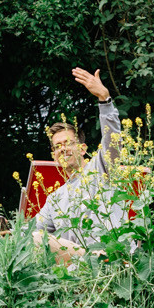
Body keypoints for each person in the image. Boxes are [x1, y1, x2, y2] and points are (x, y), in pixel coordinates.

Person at [32, 68, 125, 260]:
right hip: (78, 266)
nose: (63, 149)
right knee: (34, 238)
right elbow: (33, 230)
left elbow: (112, 140)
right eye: (57, 147)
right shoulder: (55, 199)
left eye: (68, 143)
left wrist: (104, 99)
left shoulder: (101, 168)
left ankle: (96, 259)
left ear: (82, 149)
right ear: (54, 156)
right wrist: (8, 230)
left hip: (112, 258)